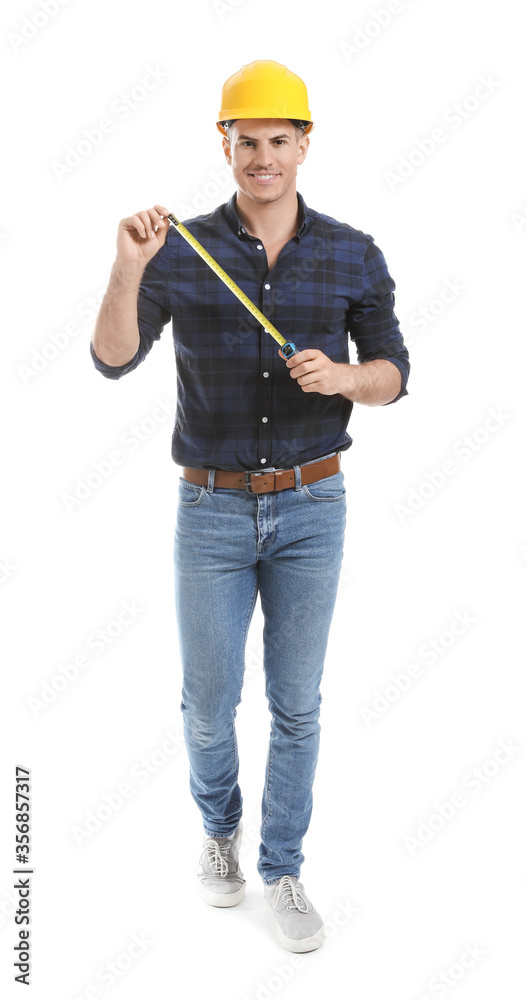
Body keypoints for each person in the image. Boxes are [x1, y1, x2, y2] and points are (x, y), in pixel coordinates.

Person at [90, 59, 410, 954]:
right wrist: (126, 269)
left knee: (297, 703)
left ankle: (282, 867)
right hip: (213, 512)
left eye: (278, 141)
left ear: (305, 144)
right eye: (246, 141)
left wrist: (346, 376)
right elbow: (112, 358)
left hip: (314, 506)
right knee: (206, 701)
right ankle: (219, 833)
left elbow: (394, 372)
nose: (261, 157)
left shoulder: (351, 250)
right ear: (222, 144)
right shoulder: (179, 248)